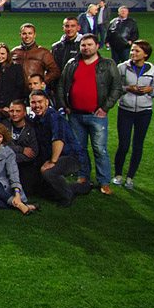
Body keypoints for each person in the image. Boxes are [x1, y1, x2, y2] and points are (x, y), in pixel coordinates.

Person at [57, 34, 123, 195]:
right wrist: (65, 106)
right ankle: (83, 176)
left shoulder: (107, 64)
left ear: (97, 46)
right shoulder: (72, 63)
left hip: (97, 115)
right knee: (79, 148)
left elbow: (116, 88)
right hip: (75, 115)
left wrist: (105, 108)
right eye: (83, 45)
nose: (86, 48)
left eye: (89, 45)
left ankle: (104, 181)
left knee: (100, 149)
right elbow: (61, 86)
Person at [29, 90, 91, 207]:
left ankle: (67, 196)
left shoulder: (55, 117)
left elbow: (58, 140)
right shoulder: (37, 119)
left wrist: (52, 162)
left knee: (48, 172)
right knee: (40, 189)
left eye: (40, 102)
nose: (36, 105)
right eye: (33, 102)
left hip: (71, 157)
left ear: (47, 102)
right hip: (55, 156)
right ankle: (81, 188)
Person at [114, 40, 154, 190]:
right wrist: (128, 88)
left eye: (137, 51)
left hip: (144, 112)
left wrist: (150, 90)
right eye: (132, 50)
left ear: (146, 54)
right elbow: (116, 87)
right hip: (125, 110)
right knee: (123, 144)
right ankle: (118, 175)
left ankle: (130, 177)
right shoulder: (122, 67)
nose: (133, 53)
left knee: (138, 145)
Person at [1, 100, 41, 197]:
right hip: (5, 162)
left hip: (25, 164)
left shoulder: (32, 128)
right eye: (12, 111)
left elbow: (33, 153)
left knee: (28, 191)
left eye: (18, 111)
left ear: (24, 113)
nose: (14, 114)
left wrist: (11, 156)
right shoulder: (4, 125)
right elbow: (1, 147)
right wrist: (21, 150)